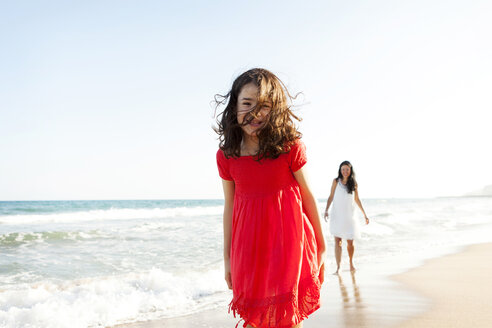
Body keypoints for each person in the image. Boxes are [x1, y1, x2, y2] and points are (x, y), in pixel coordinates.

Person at [215, 68, 326, 328]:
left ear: (275, 108)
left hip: (289, 243)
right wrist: (228, 257)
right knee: (255, 319)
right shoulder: (227, 156)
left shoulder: (289, 147)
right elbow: (229, 206)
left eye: (264, 105)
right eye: (247, 103)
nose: (255, 112)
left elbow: (308, 196)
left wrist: (321, 246)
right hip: (248, 248)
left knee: (288, 318)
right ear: (234, 106)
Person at [323, 161, 369, 273]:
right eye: (343, 169)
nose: (345, 171)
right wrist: (326, 210)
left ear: (350, 170)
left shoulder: (354, 184)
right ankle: (338, 267)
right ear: (340, 170)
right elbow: (331, 196)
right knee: (337, 241)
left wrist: (364, 214)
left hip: (349, 217)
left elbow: (357, 199)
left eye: (347, 169)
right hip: (337, 215)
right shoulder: (335, 181)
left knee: (350, 243)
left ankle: (351, 262)